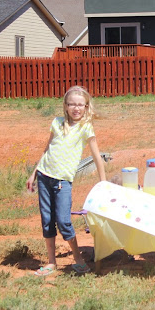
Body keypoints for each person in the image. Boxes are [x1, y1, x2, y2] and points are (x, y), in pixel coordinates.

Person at [26, 86, 106, 276]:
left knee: (63, 221)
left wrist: (103, 183)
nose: (76, 108)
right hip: (44, 176)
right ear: (66, 106)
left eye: (80, 105)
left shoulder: (85, 127)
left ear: (86, 107)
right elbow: (47, 149)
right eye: (72, 104)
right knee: (47, 221)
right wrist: (34, 173)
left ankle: (78, 259)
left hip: (63, 182)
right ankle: (51, 262)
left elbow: (97, 157)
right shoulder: (57, 123)